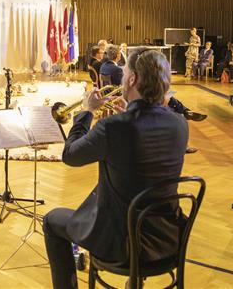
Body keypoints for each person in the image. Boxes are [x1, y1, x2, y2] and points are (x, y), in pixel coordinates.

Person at [43, 48, 188, 289]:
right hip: (168, 237)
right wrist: (128, 114)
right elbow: (145, 155)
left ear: (132, 79)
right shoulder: (179, 123)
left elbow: (70, 155)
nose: (122, 78)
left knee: (51, 221)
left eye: (124, 72)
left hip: (123, 243)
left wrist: (86, 113)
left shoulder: (113, 128)